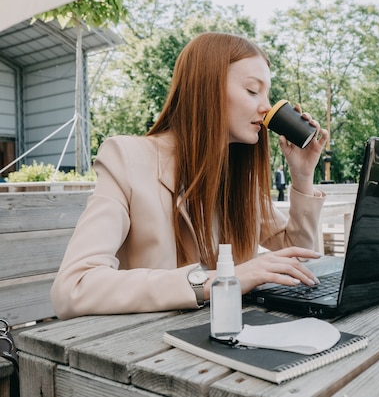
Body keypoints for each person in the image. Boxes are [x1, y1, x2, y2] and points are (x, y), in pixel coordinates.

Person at [50, 32, 329, 320]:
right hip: (143, 344)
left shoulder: (234, 176)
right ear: (205, 88)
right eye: (252, 90)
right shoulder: (126, 158)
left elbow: (298, 261)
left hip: (229, 336)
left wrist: (302, 175)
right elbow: (74, 287)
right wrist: (216, 281)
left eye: (267, 94)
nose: (266, 107)